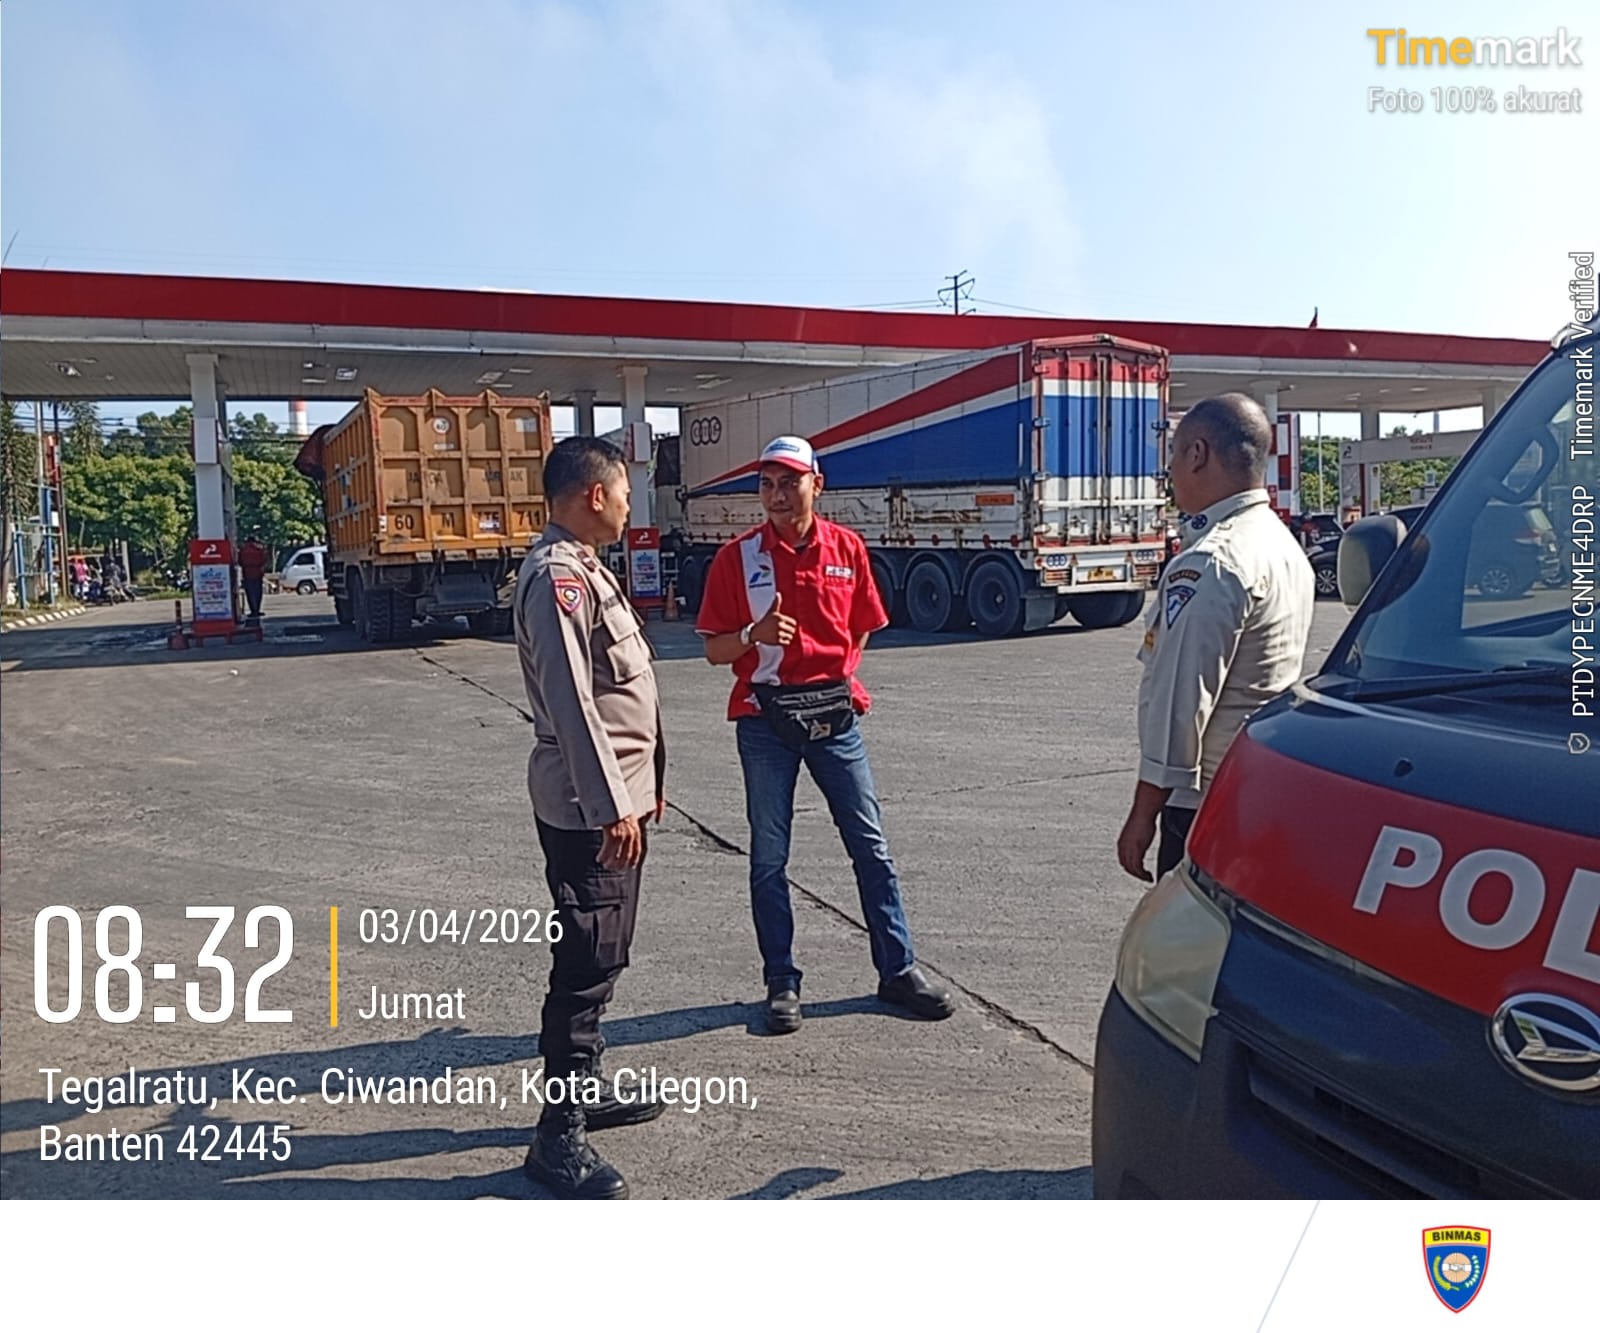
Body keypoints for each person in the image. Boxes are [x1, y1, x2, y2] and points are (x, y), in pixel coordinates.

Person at [696, 435, 954, 1034]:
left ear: (817, 484)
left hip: (834, 719)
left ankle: (897, 970)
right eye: (767, 485)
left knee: (871, 847)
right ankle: (781, 981)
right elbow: (714, 650)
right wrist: (754, 636)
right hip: (764, 722)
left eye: (790, 482)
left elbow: (863, 625)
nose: (778, 496)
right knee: (769, 857)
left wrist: (839, 676)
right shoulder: (737, 558)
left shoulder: (847, 548)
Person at [513, 435, 667, 1200]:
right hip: (586, 810)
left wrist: (644, 787)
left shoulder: (587, 568)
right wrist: (611, 806)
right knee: (585, 961)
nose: (632, 505)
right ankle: (558, 1134)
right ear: (594, 494)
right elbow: (573, 704)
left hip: (611, 802)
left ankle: (587, 1085)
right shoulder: (558, 579)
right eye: (626, 491)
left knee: (604, 951)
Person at [1117, 394, 1314, 882]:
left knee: (1183, 929)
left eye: (1174, 453)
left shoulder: (1212, 561)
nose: (1169, 470)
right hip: (1257, 785)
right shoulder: (1281, 545)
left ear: (1197, 454)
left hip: (1203, 803)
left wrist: (1144, 812)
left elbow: (1181, 701)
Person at [238, 532, 269, 620]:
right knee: (258, 592)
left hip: (247, 573)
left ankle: (253, 610)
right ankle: (257, 609)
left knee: (250, 593)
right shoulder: (259, 550)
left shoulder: (243, 550)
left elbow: (240, 561)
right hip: (258, 573)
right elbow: (264, 560)